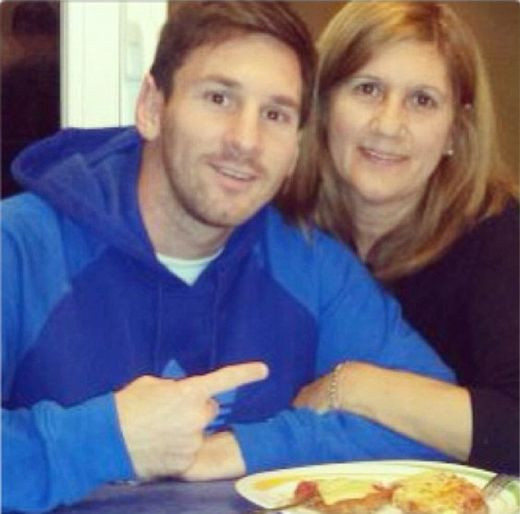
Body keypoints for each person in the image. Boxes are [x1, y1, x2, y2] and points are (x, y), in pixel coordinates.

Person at [2, 2, 455, 512]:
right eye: (219, 98)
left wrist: (245, 447)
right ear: (152, 106)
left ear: (296, 148)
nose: (245, 140)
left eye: (275, 114)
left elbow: (430, 429)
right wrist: (107, 440)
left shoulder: (311, 266)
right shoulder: (21, 246)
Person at [278, 1, 519, 474]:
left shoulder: (501, 239)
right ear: (323, 105)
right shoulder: (277, 223)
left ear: (456, 131)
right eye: (367, 89)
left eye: (422, 100)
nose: (389, 125)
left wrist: (357, 386)